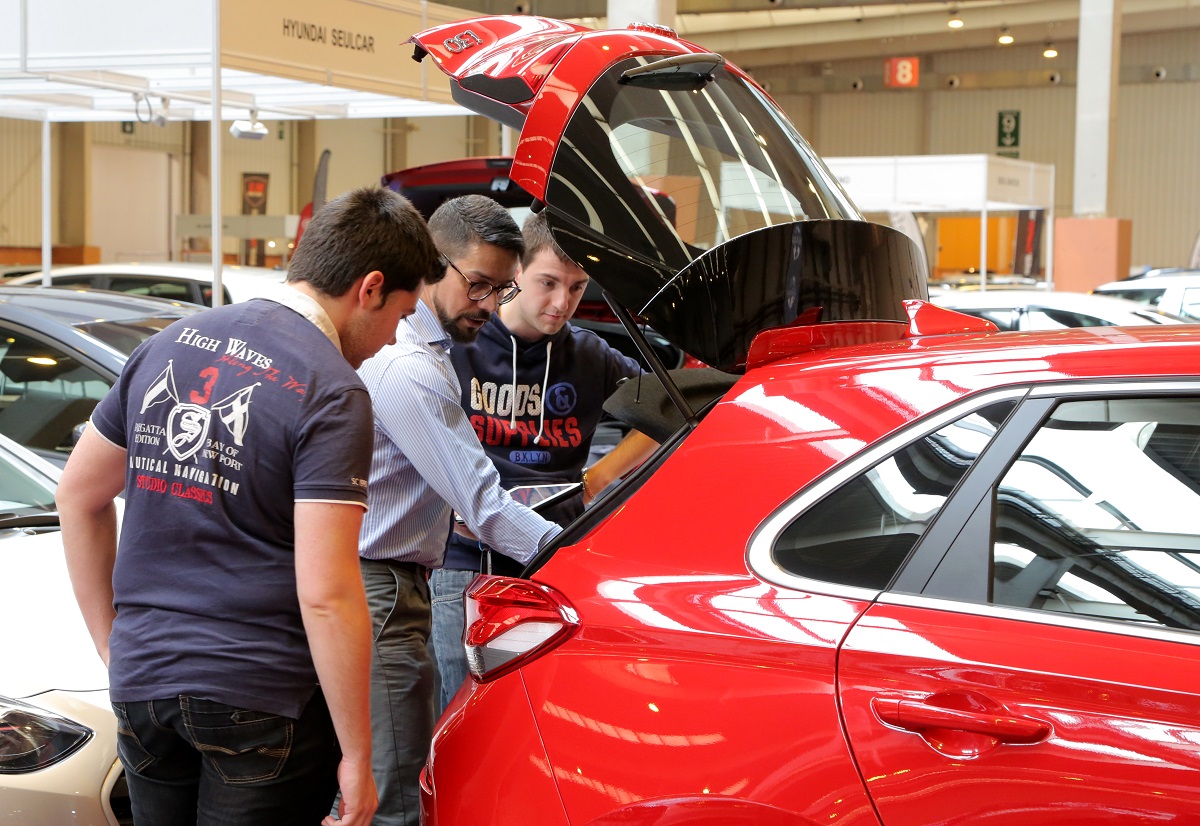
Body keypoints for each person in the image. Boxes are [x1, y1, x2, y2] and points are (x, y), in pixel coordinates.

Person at [57, 186, 438, 826]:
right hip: (260, 700)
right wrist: (357, 753)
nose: (388, 343)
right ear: (369, 288)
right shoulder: (331, 388)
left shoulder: (170, 341)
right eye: (400, 319)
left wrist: (114, 647)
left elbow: (78, 494)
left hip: (145, 689)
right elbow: (327, 592)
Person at [356, 194, 561, 826]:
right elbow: (481, 503)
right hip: (381, 593)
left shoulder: (432, 356)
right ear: (430, 265)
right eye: (477, 285)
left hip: (395, 585)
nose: (488, 305)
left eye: (501, 291)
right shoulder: (409, 369)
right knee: (391, 801)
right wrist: (572, 551)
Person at [431, 209, 658, 713]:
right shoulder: (459, 345)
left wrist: (603, 472)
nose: (562, 303)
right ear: (515, 274)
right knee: (459, 708)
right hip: (463, 564)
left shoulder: (591, 354)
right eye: (548, 283)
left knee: (540, 709)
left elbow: (668, 407)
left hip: (554, 561)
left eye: (577, 288)